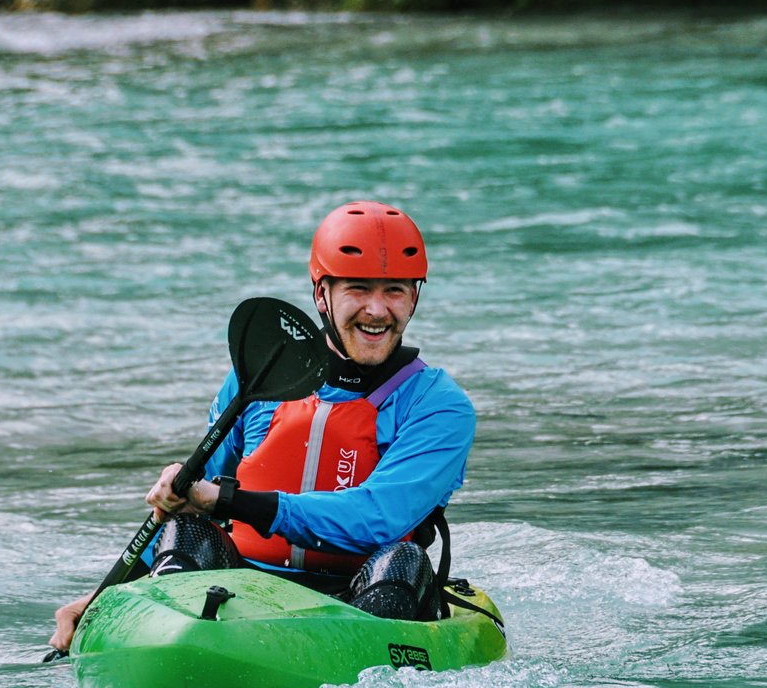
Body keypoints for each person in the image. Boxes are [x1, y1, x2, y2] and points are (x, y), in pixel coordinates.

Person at [49, 201, 475, 653]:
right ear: (321, 294)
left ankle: (359, 675)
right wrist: (106, 598)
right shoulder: (260, 380)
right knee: (186, 531)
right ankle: (171, 649)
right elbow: (190, 501)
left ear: (414, 296)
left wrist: (229, 500)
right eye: (358, 288)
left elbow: (376, 518)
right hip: (244, 594)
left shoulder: (438, 406)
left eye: (394, 290)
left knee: (403, 561)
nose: (377, 309)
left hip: (362, 597)